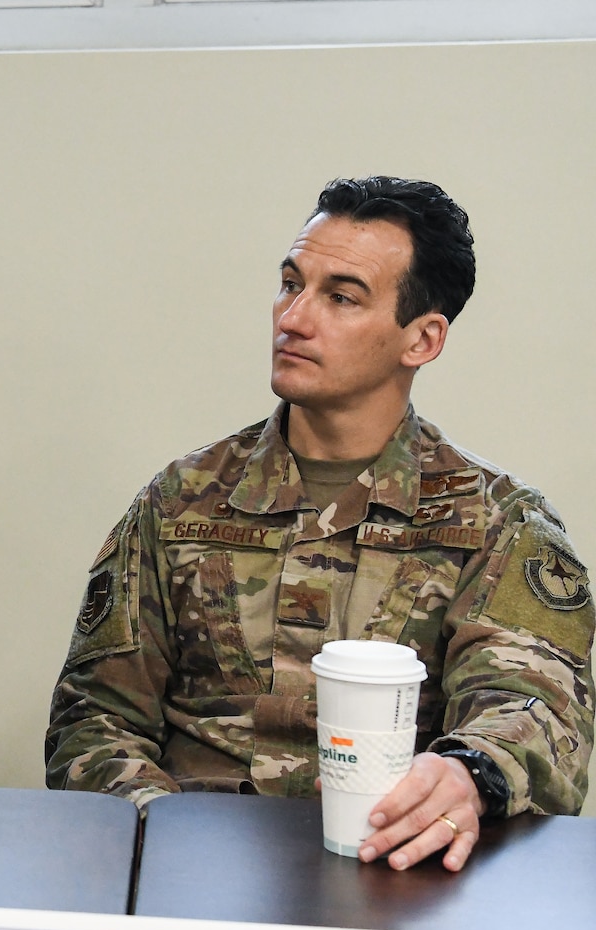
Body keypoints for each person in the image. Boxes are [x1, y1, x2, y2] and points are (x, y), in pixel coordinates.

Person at [47, 176, 593, 872]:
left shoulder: (495, 521)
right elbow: (93, 720)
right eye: (289, 284)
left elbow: (537, 707)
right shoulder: (181, 501)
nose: (294, 317)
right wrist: (169, 839)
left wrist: (468, 774)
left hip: (398, 873)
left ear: (422, 339)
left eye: (341, 297)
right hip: (196, 876)